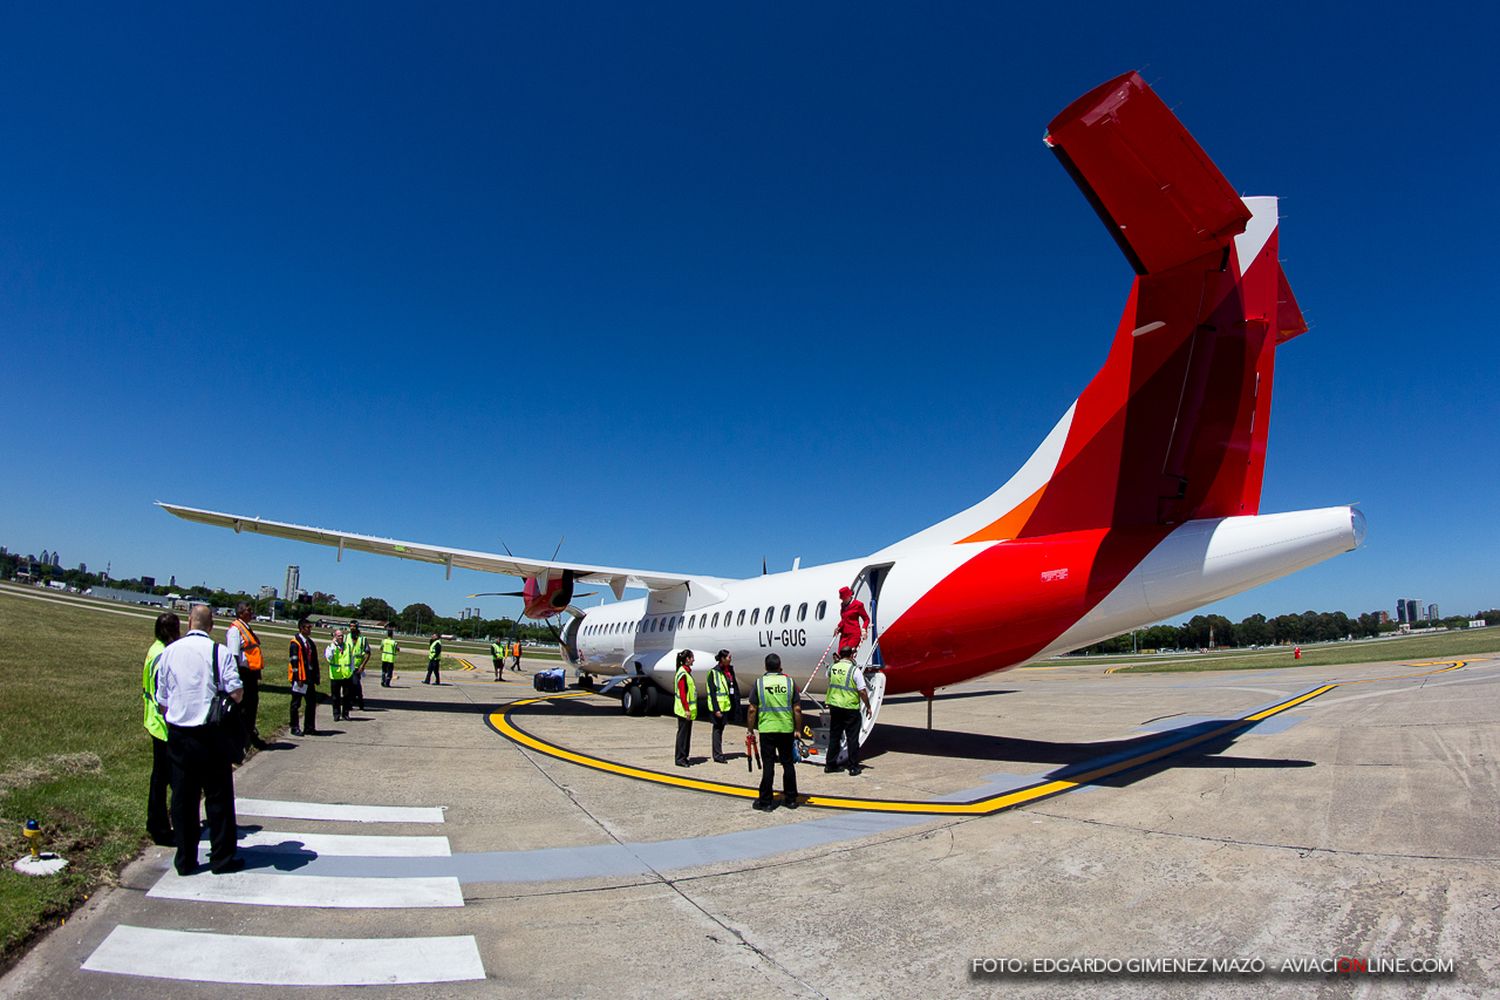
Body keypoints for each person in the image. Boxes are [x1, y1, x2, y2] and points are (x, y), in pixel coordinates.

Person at [154, 604, 243, 876]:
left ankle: (185, 859)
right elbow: (237, 692)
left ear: (189, 621)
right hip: (211, 733)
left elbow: (162, 700)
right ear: (211, 625)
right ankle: (221, 858)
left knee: (183, 798)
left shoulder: (168, 652)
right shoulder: (220, 652)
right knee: (218, 798)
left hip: (180, 734)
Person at [142, 612, 181, 846]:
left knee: (160, 777)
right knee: (165, 779)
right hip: (162, 726)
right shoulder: (163, 654)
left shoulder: (154, 648)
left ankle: (157, 822)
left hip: (153, 720)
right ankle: (160, 827)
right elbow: (162, 695)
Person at [748, 653, 803, 810]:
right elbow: (797, 709)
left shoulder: (759, 684)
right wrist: (798, 730)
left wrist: (750, 729)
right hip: (786, 729)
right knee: (788, 764)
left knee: (768, 765)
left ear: (766, 667)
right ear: (780, 667)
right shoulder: (789, 682)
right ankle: (791, 799)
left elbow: (752, 709)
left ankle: (766, 802)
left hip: (767, 729)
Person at [824, 647, 872, 775]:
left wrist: (836, 662)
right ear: (851, 655)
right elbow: (862, 691)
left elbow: (827, 675)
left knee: (834, 736)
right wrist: (868, 706)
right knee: (852, 738)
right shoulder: (854, 670)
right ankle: (853, 766)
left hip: (835, 707)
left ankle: (830, 764)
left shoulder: (833, 668)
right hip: (850, 708)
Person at [226, 602, 265, 750]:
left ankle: (249, 736)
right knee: (244, 708)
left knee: (252, 706)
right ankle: (241, 740)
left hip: (251, 674)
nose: (251, 612)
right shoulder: (235, 630)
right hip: (243, 674)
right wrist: (235, 679)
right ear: (241, 613)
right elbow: (233, 655)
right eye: (248, 610)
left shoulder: (246, 628)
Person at [288, 615, 321, 736]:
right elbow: (294, 661)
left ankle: (309, 727)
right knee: (296, 704)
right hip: (300, 678)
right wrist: (297, 678)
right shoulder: (295, 643)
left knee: (311, 703)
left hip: (309, 677)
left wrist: (316, 676)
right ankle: (294, 726)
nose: (310, 629)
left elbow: (314, 660)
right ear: (301, 628)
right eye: (308, 627)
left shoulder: (310, 643)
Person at [706, 649, 739, 763]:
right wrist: (716, 709)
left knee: (721, 729)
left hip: (726, 706)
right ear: (722, 659)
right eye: (728, 657)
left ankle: (718, 753)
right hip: (718, 707)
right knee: (717, 730)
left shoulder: (729, 670)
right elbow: (712, 693)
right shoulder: (713, 673)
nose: (730, 659)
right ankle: (717, 754)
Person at [672, 649, 696, 767]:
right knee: (683, 735)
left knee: (686, 735)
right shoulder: (683, 673)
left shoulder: (686, 672)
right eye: (692, 658)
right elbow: (682, 693)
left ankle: (684, 757)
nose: (693, 660)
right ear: (687, 659)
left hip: (687, 710)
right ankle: (680, 758)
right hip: (683, 710)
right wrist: (686, 709)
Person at [835, 586, 870, 661]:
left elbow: (866, 619)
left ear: (849, 596)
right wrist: (838, 627)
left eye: (844, 598)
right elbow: (844, 619)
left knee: (847, 653)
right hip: (844, 634)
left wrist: (864, 629)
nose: (843, 600)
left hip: (854, 634)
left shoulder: (858, 605)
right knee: (840, 653)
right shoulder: (843, 606)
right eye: (842, 599)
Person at [326, 628, 353, 721]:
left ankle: (345, 714)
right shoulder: (330, 647)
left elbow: (351, 658)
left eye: (342, 635)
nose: (341, 637)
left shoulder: (348, 646)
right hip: (335, 675)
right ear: (335, 637)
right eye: (338, 636)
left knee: (347, 696)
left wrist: (352, 670)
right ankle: (336, 714)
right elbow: (329, 657)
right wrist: (333, 645)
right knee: (335, 696)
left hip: (346, 675)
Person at [346, 621, 370, 710]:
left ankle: (359, 700)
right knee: (348, 686)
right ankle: (350, 703)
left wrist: (362, 665)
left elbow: (368, 653)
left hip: (357, 667)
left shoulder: (363, 639)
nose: (352, 628)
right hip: (347, 666)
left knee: (356, 684)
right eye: (351, 626)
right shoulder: (346, 638)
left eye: (354, 626)